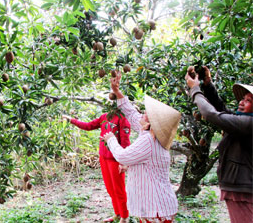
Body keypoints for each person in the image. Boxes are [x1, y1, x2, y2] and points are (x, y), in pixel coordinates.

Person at [103, 72, 180, 223]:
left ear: (152, 124)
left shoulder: (148, 141)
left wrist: (111, 139)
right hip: (156, 206)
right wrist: (117, 91)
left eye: (145, 115)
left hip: (155, 207)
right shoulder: (153, 136)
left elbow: (123, 156)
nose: (142, 115)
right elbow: (132, 114)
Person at [185, 66, 253, 223]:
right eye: (243, 98)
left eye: (248, 101)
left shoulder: (248, 124)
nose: (242, 102)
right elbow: (221, 110)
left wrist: (195, 90)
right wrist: (207, 84)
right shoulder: (244, 123)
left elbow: (211, 115)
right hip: (240, 188)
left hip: (242, 191)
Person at [62, 104, 131, 222]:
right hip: (103, 158)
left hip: (115, 159)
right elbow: (88, 126)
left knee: (118, 189)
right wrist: (71, 120)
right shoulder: (104, 117)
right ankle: (117, 213)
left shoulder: (122, 118)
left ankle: (124, 217)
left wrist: (124, 162)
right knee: (110, 188)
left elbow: (125, 141)